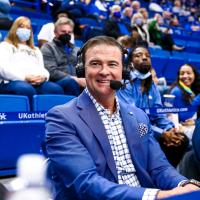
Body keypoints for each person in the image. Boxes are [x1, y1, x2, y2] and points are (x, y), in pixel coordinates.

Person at [45, 36, 200, 200]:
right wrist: (157, 195)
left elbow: (158, 167)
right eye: (96, 63)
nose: (104, 71)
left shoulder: (139, 118)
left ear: (123, 71)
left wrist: (184, 185)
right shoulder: (61, 118)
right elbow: (86, 182)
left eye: (112, 64)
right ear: (82, 69)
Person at [117, 45, 189, 167]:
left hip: (151, 129)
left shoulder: (153, 86)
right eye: (138, 55)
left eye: (147, 56)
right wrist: (161, 133)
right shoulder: (125, 83)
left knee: (181, 139)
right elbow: (132, 118)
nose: (144, 58)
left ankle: (164, 176)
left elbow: (158, 114)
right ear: (130, 63)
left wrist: (170, 129)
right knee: (146, 138)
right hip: (132, 129)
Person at [0, 16, 64, 101]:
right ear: (15, 29)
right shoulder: (5, 45)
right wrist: (25, 77)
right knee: (26, 89)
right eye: (21, 26)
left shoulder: (36, 50)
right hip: (12, 81)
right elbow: (3, 69)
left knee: (55, 89)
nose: (25, 29)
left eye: (28, 27)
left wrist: (43, 77)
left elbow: (42, 68)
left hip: (36, 82)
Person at [41, 17, 85, 96]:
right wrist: (74, 79)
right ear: (55, 32)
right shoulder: (48, 47)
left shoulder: (77, 49)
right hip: (57, 81)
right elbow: (51, 71)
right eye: (63, 31)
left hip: (77, 80)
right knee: (71, 82)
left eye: (69, 32)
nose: (66, 34)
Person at [169, 64, 200, 142]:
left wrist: (195, 122)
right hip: (181, 129)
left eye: (188, 73)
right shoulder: (176, 91)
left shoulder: (193, 90)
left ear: (194, 75)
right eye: (182, 73)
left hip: (193, 126)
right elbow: (184, 118)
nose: (185, 76)